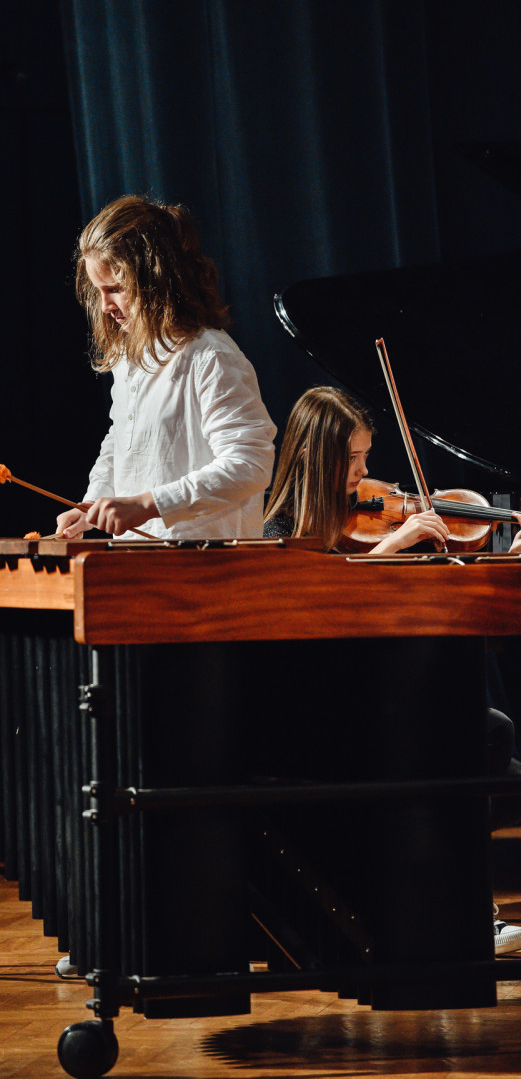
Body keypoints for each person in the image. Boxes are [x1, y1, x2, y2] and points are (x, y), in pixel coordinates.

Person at [264, 384, 521, 955]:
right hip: (324, 716)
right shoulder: (280, 532)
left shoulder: (357, 522)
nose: (364, 474)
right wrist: (396, 544)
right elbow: (326, 606)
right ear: (312, 455)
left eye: (365, 457)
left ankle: (456, 914)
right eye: (352, 458)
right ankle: (458, 917)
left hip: (374, 698)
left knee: (497, 755)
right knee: (486, 737)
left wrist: (500, 562)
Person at [56, 194, 276, 542]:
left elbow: (250, 464)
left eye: (115, 289)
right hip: (138, 558)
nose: (105, 306)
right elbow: (121, 443)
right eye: (99, 291)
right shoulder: (129, 357)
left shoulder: (210, 356)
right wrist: (92, 504)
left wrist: (149, 504)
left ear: (154, 281)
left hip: (206, 562)